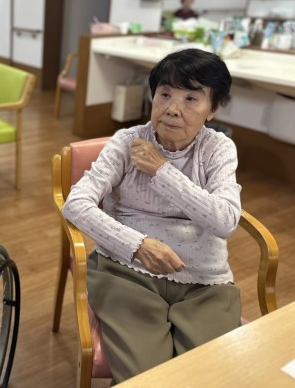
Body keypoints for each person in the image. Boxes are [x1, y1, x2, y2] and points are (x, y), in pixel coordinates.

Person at [63, 48, 240, 385]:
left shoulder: (217, 149)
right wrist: (137, 245)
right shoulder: (127, 142)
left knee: (208, 377)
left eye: (191, 99)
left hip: (204, 283)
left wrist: (162, 171)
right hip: (126, 273)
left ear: (213, 109)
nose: (172, 108)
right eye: (165, 94)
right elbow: (76, 203)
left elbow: (227, 221)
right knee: (146, 379)